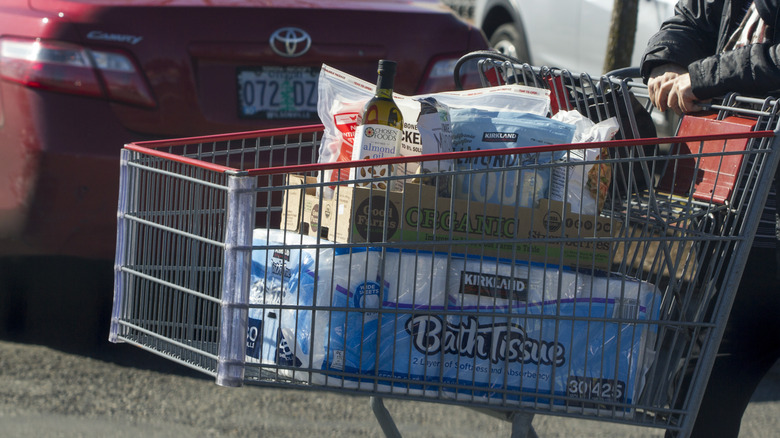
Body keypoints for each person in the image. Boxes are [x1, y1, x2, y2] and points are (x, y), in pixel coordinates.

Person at [640, 1, 780, 437]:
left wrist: (701, 79)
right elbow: (694, 18)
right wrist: (668, 64)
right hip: (743, 228)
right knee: (698, 399)